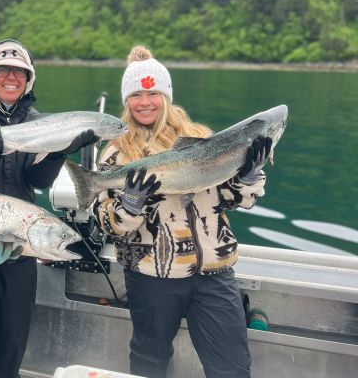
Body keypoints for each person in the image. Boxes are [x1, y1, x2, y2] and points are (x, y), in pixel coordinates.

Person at [94, 46, 271, 378]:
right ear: (126, 101)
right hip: (151, 275)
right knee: (150, 360)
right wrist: (129, 207)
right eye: (136, 95)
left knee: (232, 367)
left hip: (214, 272)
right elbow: (106, 221)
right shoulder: (116, 153)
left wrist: (247, 178)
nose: (144, 102)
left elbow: (232, 199)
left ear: (167, 96)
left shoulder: (202, 139)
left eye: (153, 93)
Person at [0, 39, 98, 378]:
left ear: (28, 79)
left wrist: (59, 150)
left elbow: (37, 179)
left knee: (13, 333)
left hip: (22, 243)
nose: (11, 77)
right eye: (2, 70)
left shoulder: (40, 121)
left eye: (19, 71)